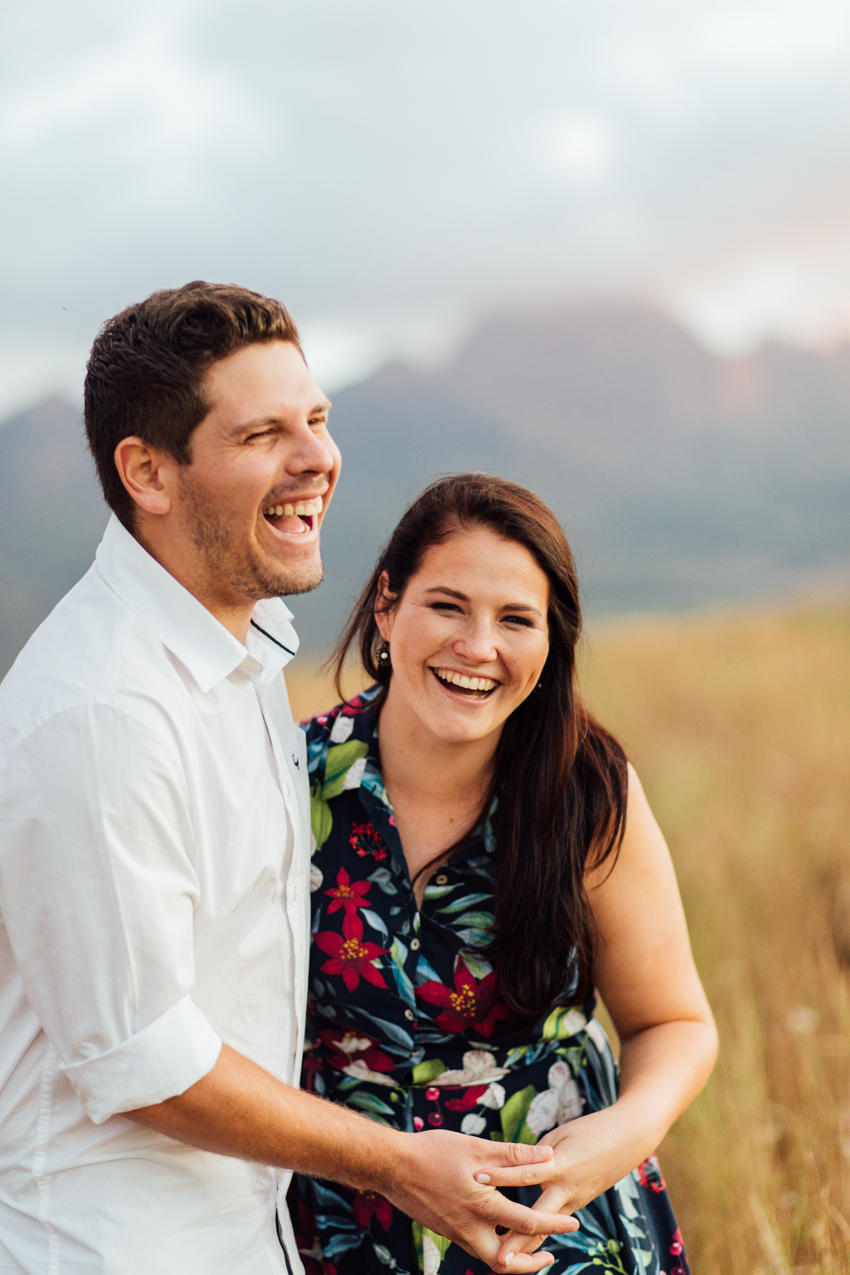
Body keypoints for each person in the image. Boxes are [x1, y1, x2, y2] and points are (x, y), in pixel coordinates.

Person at [0, 285, 577, 1275]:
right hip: (115, 1247)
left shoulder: (241, 656)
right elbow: (146, 1062)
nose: (318, 458)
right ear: (148, 473)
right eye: (264, 433)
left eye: (316, 418)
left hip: (237, 1236)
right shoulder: (103, 709)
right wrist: (398, 1164)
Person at [290, 473, 719, 1275]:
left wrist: (618, 1136)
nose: (478, 646)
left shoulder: (586, 791)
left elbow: (675, 1022)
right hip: (343, 1215)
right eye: (448, 606)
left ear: (551, 640)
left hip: (546, 1218)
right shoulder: (290, 780)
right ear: (387, 606)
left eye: (515, 619)